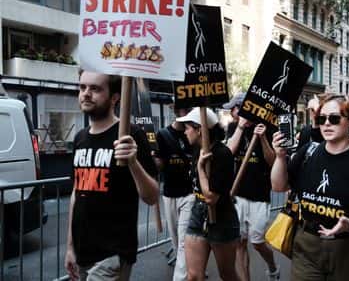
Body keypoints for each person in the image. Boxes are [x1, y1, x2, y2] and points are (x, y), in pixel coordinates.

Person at [271, 94, 349, 280]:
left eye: (334, 118)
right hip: (307, 246)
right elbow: (279, 186)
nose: (326, 124)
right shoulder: (308, 152)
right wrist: (279, 157)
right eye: (322, 119)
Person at [65, 70, 159, 281]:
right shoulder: (80, 138)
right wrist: (70, 248)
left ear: (115, 98)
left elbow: (152, 197)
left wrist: (133, 162)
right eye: (82, 87)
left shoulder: (130, 135)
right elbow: (75, 195)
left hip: (112, 254)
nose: (86, 94)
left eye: (95, 89)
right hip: (82, 252)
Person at [176, 108, 241, 281]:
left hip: (222, 219)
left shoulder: (222, 154)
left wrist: (200, 169)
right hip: (198, 214)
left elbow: (211, 197)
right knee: (194, 276)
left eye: (188, 127)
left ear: (199, 129)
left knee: (228, 276)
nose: (185, 131)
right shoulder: (198, 150)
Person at [227, 117, 279, 281]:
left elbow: (272, 162)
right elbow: (228, 152)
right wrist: (240, 128)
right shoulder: (235, 127)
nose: (235, 113)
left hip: (259, 196)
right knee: (240, 244)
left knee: (257, 242)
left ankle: (272, 266)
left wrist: (263, 137)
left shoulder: (268, 128)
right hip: (237, 195)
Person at [154, 106, 194, 281]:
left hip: (189, 193)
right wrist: (152, 159)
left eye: (190, 109)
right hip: (169, 193)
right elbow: (159, 165)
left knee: (184, 240)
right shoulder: (162, 134)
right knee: (176, 240)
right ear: (177, 111)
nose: (187, 112)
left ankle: (181, 276)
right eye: (185, 109)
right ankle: (192, 266)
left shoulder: (193, 132)